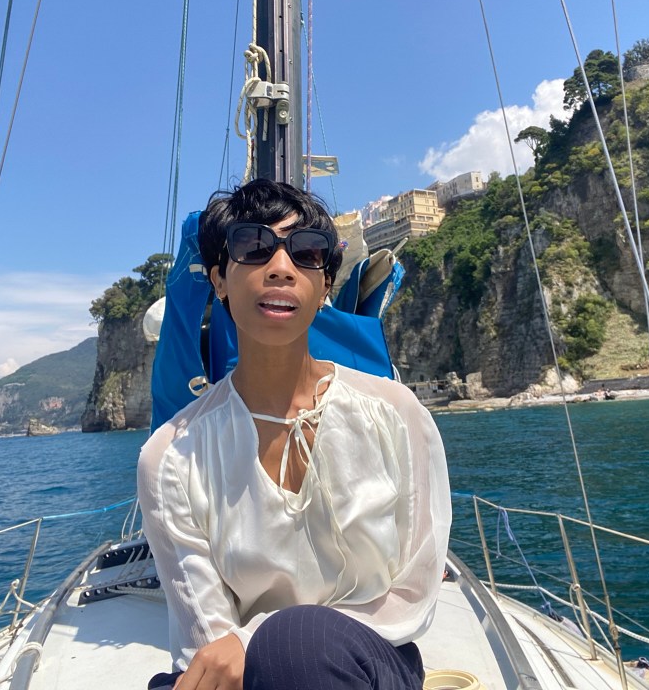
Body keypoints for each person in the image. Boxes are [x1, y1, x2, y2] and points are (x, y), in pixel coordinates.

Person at [137, 179, 452, 690]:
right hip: (251, 679)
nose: (281, 267)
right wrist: (249, 648)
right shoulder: (172, 456)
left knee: (297, 645)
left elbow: (414, 594)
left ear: (325, 285)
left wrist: (259, 636)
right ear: (219, 279)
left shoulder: (395, 414)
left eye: (306, 253)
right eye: (253, 246)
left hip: (375, 663)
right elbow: (209, 642)